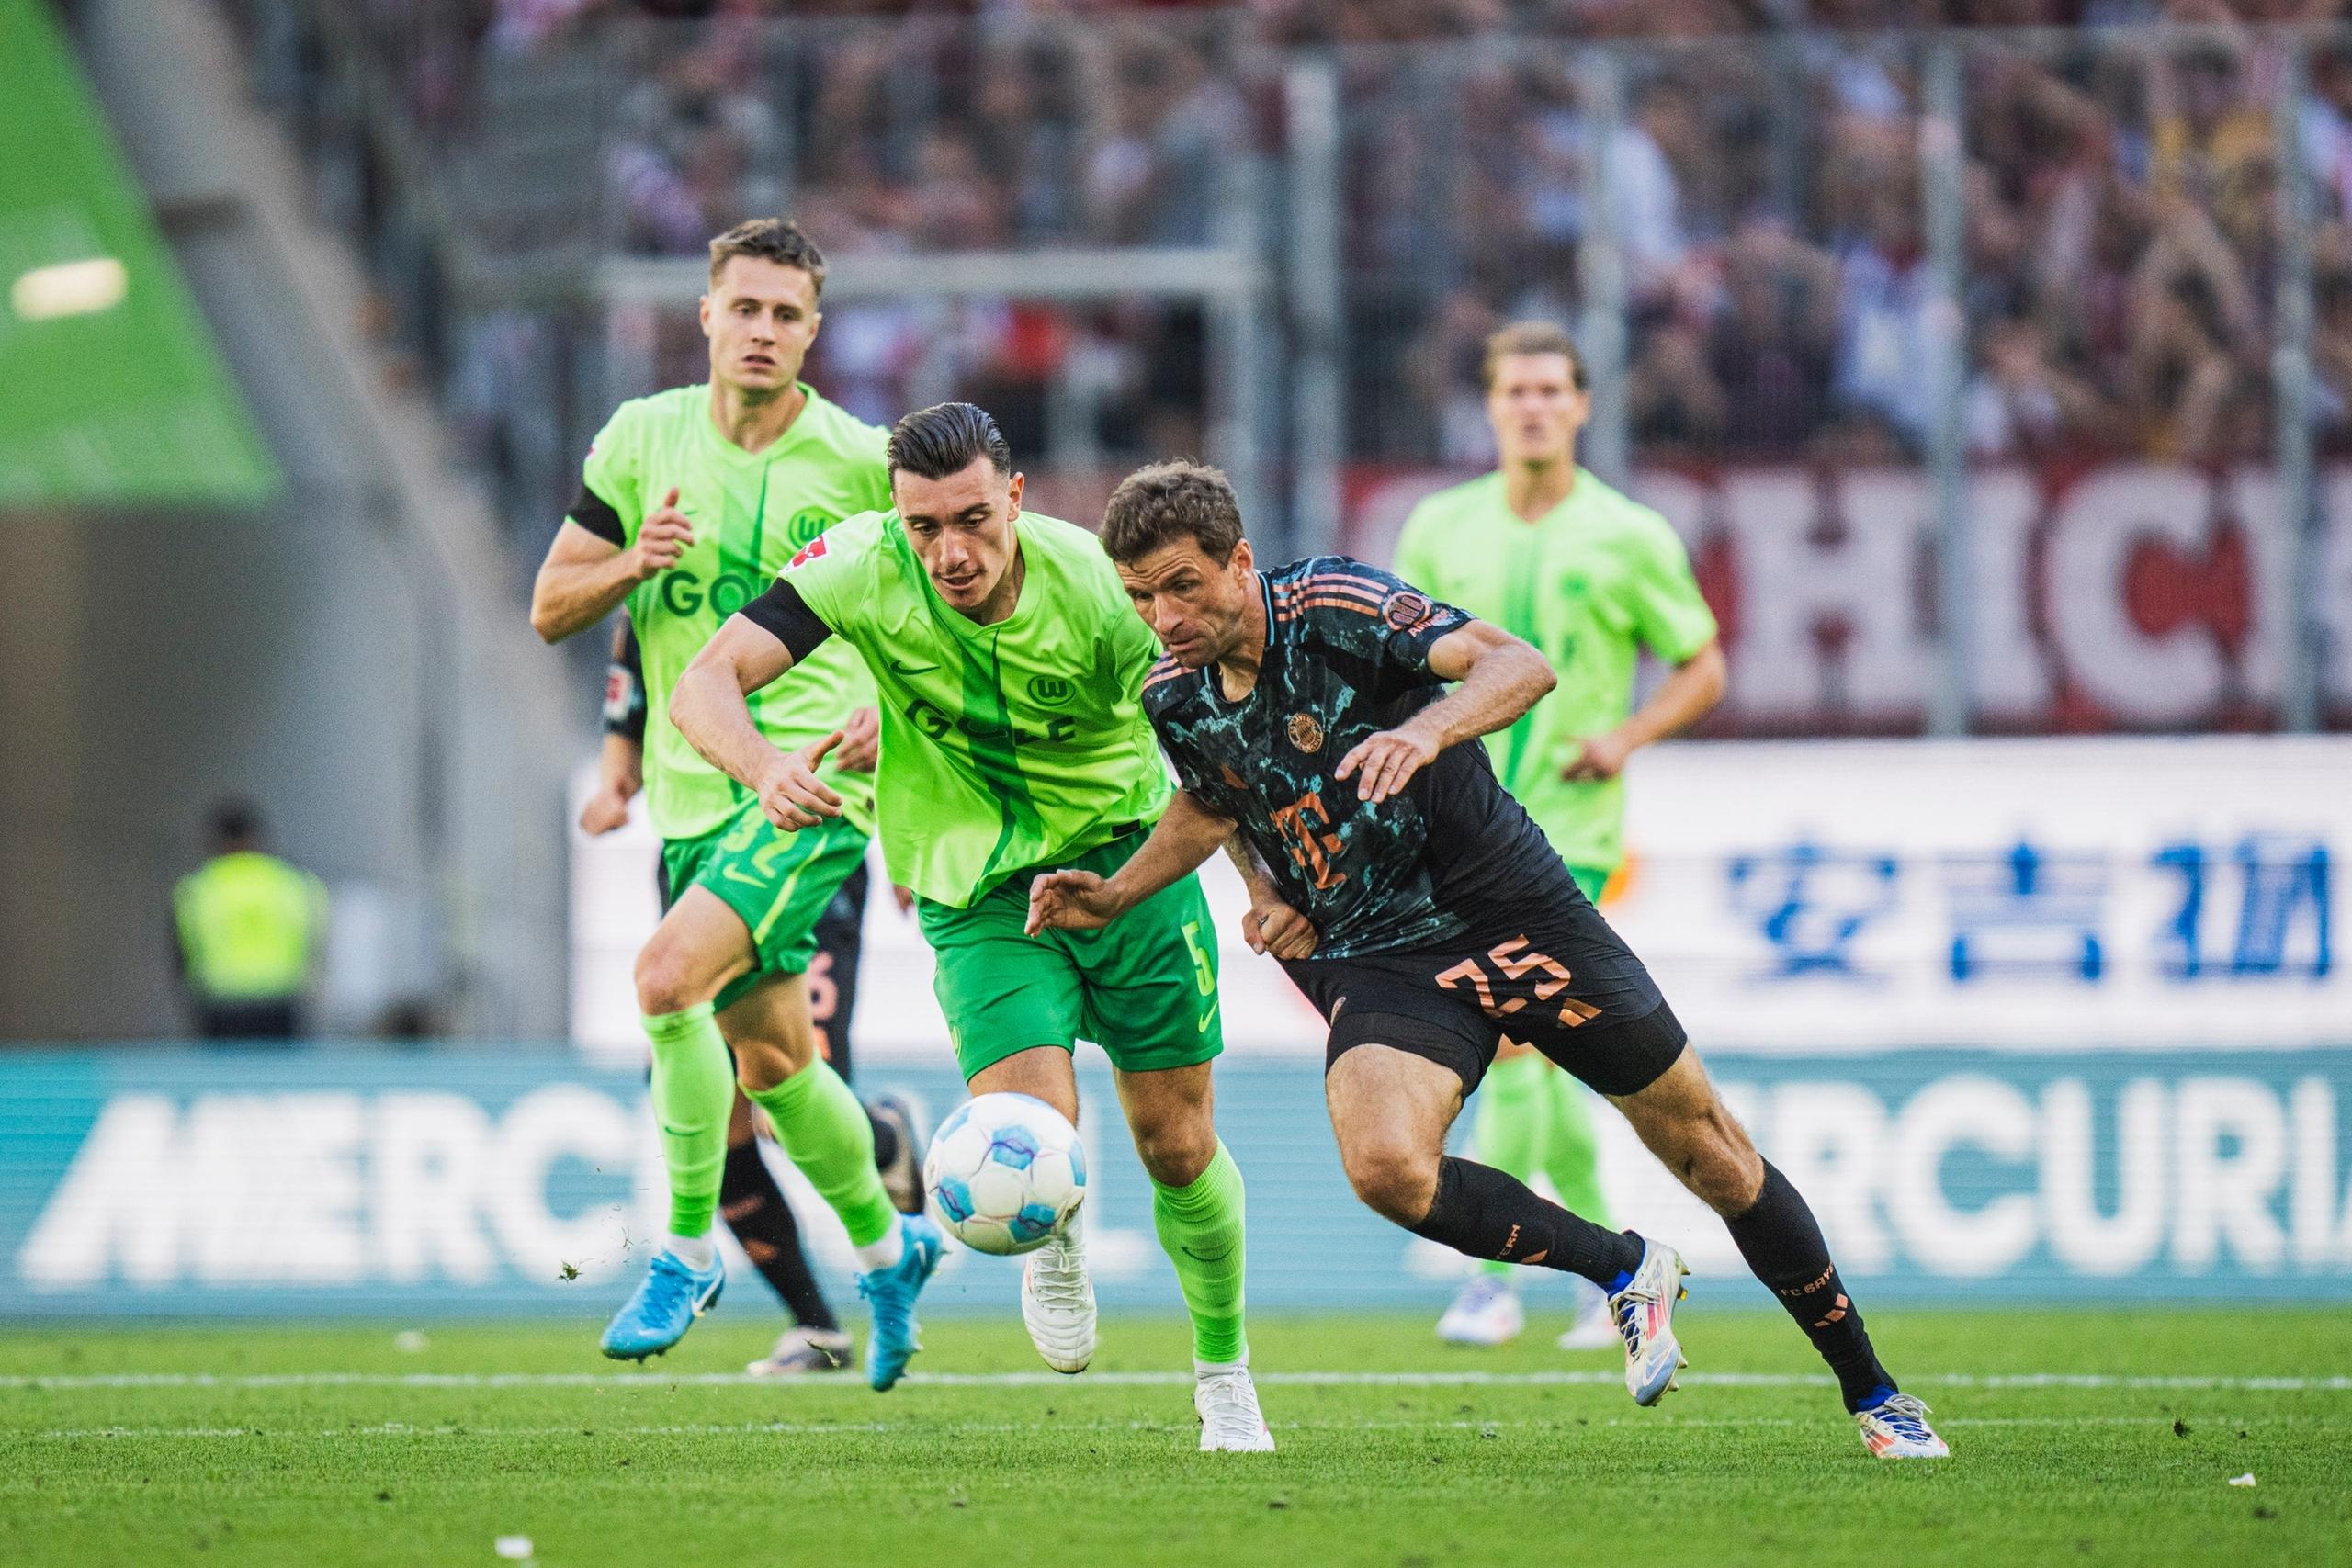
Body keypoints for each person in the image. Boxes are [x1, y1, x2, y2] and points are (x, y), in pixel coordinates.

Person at [1030, 459, 1947, 1461]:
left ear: (1238, 563)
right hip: (1380, 953)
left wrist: (1426, 730)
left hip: (1512, 912)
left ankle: (1874, 1392)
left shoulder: (1335, 605)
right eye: (1140, 598)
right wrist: (1163, 891)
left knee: (1709, 1151)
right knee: (1384, 1165)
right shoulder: (1173, 693)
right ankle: (1624, 1268)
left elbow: (1520, 666)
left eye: (1181, 587)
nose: (1162, 618)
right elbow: (1217, 799)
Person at [671, 402, 1276, 1452]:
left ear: (1015, 498)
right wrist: (765, 768)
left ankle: (1223, 1372)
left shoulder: (1098, 589)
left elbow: (1209, 755)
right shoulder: (858, 565)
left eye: (971, 520)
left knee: (1178, 1147)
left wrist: (1263, 885)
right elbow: (704, 681)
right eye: (922, 527)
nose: (948, 552)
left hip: (1128, 865)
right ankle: (1055, 1234)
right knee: (1034, 1132)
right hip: (979, 890)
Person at [529, 217, 940, 1387]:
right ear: (706, 314)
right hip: (687, 799)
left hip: (813, 788)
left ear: (814, 334)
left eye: (786, 315)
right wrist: (630, 568)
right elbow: (553, 606)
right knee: (773, 1068)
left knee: (663, 982)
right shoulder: (638, 439)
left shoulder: (864, 465)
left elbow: (938, 615)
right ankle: (887, 1242)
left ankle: (684, 1251)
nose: (762, 331)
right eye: (744, 308)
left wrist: (900, 748)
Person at [1394, 320, 1726, 1353]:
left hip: (1569, 833)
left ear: (1581, 406)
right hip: (1459, 826)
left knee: (1516, 1040)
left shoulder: (1628, 534)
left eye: (1551, 390)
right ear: (1490, 406)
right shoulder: (1439, 526)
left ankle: (1494, 1284)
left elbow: (1700, 663)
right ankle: (1604, 1281)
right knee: (1543, 1050)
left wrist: (1624, 736)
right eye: (1515, 390)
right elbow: (1398, 660)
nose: (1533, 406)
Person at [583, 618, 923, 1378]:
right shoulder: (656, 532)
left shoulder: (826, 542)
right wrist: (618, 762)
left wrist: (907, 816)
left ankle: (687, 1250)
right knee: (752, 1083)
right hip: (697, 837)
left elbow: (900, 631)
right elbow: (610, 627)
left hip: (803, 820)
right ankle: (829, 1315)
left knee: (705, 1025)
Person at [172, 798, 327, 1041]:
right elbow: (313, 941)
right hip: (280, 1004)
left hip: (221, 1007)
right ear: (257, 838)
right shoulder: (292, 883)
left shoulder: (198, 887)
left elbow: (182, 952)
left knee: (223, 1076)